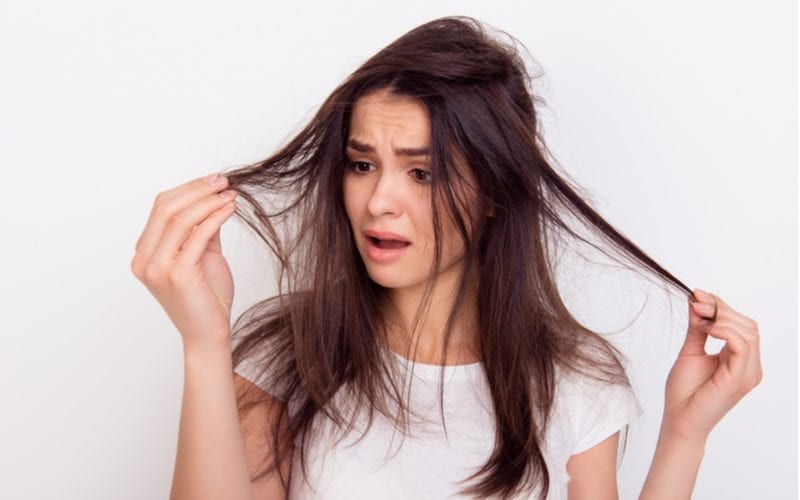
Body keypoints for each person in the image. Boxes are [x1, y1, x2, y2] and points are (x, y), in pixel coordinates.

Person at [131, 16, 762, 500]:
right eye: (361, 164)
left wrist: (685, 435)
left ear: (493, 192)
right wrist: (204, 344)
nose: (380, 201)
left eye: (423, 173)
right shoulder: (291, 351)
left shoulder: (575, 378)